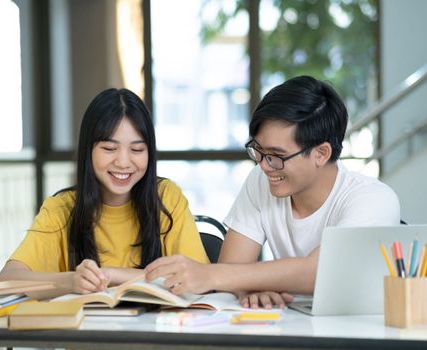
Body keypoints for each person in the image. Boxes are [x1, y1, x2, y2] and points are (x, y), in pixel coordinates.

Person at [145, 76, 400, 308]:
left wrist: (210, 275)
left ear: (321, 153)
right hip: (287, 327)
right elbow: (234, 268)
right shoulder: (262, 180)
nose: (265, 166)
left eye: (277, 156)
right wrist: (249, 289)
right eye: (259, 151)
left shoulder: (373, 199)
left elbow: (323, 270)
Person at [0, 88, 208, 298]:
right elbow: (6, 280)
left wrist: (111, 274)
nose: (123, 162)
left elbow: (197, 279)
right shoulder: (62, 207)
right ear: (88, 150)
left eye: (137, 150)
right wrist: (71, 281)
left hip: (156, 330)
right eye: (109, 148)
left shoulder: (167, 197)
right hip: (85, 331)